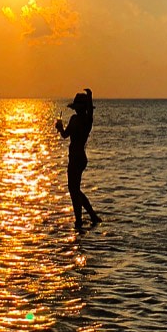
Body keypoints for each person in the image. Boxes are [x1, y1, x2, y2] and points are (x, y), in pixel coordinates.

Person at [55, 88, 100, 231]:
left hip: (78, 158)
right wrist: (60, 128)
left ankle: (82, 219)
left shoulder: (87, 121)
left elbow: (90, 113)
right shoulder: (74, 119)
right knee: (74, 189)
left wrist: (90, 96)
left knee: (74, 190)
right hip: (74, 157)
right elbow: (64, 135)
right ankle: (87, 217)